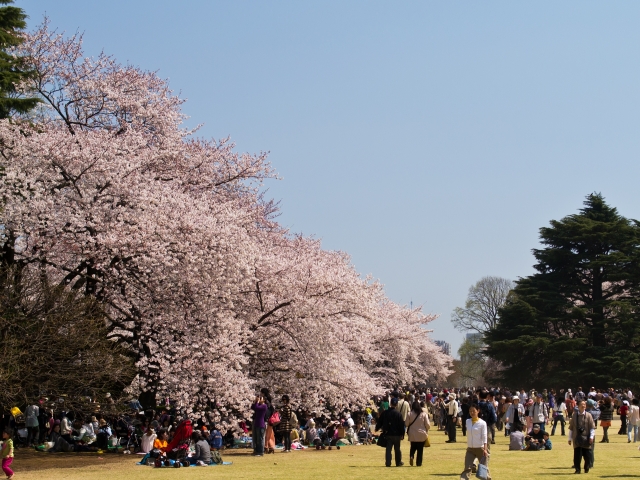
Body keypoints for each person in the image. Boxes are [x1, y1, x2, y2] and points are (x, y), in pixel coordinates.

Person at [460, 403, 490, 480]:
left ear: (478, 411)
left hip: (480, 448)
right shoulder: (467, 421)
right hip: (470, 448)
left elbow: (484, 436)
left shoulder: (482, 423)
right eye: (470, 411)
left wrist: (485, 449)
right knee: (467, 467)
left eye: (474, 411)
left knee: (483, 469)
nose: (472, 413)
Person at [376, 397, 405, 467]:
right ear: (396, 404)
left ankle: (388, 462)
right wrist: (402, 434)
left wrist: (377, 428)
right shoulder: (398, 414)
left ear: (390, 403)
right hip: (397, 434)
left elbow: (380, 421)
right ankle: (398, 462)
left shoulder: (385, 413)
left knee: (388, 449)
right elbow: (401, 425)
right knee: (397, 449)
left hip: (388, 433)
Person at [568, 400, 595, 474]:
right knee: (577, 456)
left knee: (587, 455)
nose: (583, 406)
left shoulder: (589, 415)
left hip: (586, 438)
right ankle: (577, 469)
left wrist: (591, 437)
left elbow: (592, 427)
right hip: (577, 438)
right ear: (578, 406)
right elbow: (571, 428)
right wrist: (569, 438)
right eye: (581, 404)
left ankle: (587, 468)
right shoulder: (574, 415)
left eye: (584, 404)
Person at [405, 401, 430, 467]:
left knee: (412, 447)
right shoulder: (424, 414)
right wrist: (427, 429)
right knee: (420, 449)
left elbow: (406, 424)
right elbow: (427, 424)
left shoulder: (409, 414)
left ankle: (411, 456)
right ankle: (419, 463)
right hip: (422, 433)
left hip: (412, 433)